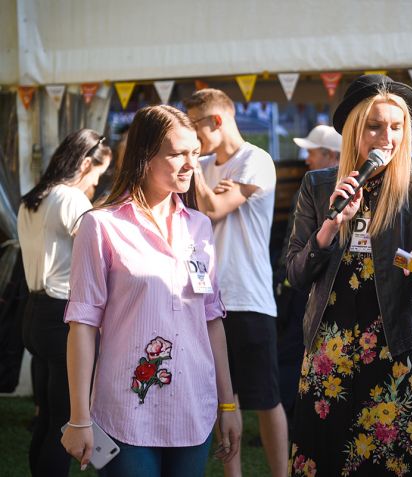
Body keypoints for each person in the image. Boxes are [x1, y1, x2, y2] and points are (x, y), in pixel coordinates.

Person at [286, 74, 412, 476]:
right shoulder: (318, 186)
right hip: (329, 354)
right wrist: (330, 227)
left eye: (396, 127)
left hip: (394, 351)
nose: (386, 138)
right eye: (374, 126)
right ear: (353, 130)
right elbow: (296, 276)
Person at [60, 105, 240, 476]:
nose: (191, 164)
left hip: (194, 407)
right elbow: (82, 325)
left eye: (195, 152)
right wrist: (79, 417)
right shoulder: (100, 225)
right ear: (145, 156)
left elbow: (212, 320)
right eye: (178, 154)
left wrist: (227, 404)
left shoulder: (199, 226)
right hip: (125, 411)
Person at [184, 89, 287, 477]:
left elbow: (211, 209)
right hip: (208, 298)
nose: (192, 141)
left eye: (195, 129)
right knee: (225, 400)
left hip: (248, 296)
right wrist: (205, 182)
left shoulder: (254, 159)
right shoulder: (204, 165)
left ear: (216, 121)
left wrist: (198, 176)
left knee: (266, 398)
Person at [18, 129, 111, 477]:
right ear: (85, 164)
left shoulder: (34, 198)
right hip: (61, 317)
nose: (95, 184)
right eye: (98, 174)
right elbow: (96, 249)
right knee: (65, 422)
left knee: (46, 418)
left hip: (34, 314)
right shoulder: (71, 199)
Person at [276, 124, 343, 423]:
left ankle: (292, 418)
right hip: (301, 281)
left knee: (293, 351)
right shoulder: (312, 187)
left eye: (312, 152)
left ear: (330, 155)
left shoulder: (334, 192)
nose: (307, 159)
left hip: (308, 288)